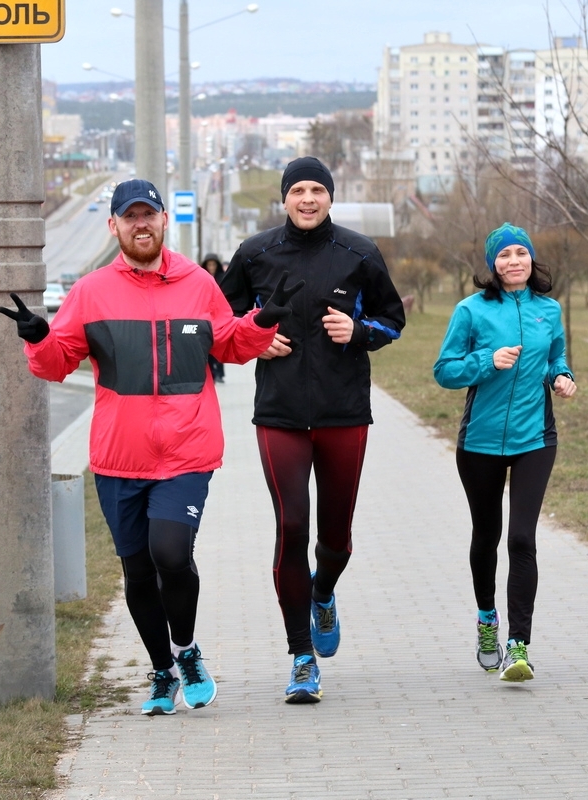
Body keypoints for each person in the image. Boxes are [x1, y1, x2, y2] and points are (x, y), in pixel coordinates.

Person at [0, 179, 300, 716]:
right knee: (138, 572)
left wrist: (262, 321)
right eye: (130, 217)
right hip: (119, 457)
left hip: (186, 452)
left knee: (170, 554)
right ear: (113, 226)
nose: (142, 224)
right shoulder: (90, 292)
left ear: (165, 222)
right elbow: (57, 362)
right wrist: (38, 337)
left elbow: (229, 344)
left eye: (150, 215)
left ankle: (186, 652)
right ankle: (161, 672)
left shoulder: (197, 284)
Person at [219, 156, 405, 704]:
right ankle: (302, 657)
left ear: (330, 197)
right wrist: (255, 337)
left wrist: (359, 330)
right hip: (279, 415)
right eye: (297, 190)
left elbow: (393, 319)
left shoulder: (359, 252)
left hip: (344, 412)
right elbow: (223, 321)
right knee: (292, 526)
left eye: (316, 190)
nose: (306, 199)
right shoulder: (255, 254)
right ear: (284, 199)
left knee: (336, 538)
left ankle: (323, 591)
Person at [433, 223, 576, 682]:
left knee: (521, 539)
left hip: (535, 437)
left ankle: (520, 645)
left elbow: (556, 357)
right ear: (492, 264)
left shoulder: (549, 311)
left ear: (532, 260)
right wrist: (485, 362)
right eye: (504, 255)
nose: (514, 261)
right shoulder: (471, 311)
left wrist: (561, 377)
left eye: (521, 253)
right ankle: (487, 620)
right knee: (487, 534)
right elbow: (444, 371)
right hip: (479, 441)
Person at [200, 254, 227, 383]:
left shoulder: (223, 278)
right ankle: (212, 373)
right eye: (209, 265)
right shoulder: (201, 278)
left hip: (219, 318)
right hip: (206, 318)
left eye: (213, 265)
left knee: (220, 347)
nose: (211, 267)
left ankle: (220, 374)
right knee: (208, 350)